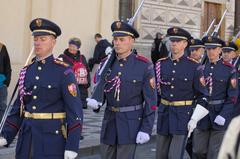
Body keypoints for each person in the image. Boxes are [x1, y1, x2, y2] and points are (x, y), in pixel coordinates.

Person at [0, 18, 83, 159]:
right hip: (26, 139)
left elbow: (75, 111)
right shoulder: (27, 71)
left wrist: (72, 145)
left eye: (43, 39)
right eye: (36, 39)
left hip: (51, 141)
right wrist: (6, 134)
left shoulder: (64, 72)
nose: (38, 43)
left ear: (53, 42)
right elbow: (18, 108)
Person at [87, 21, 157, 159]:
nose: (117, 43)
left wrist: (146, 129)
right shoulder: (106, 63)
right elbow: (102, 90)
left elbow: (151, 102)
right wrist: (97, 102)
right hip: (109, 123)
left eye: (122, 40)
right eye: (115, 39)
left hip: (130, 123)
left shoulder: (143, 65)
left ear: (131, 41)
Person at [155, 27, 208, 159]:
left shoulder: (195, 67)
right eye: (172, 40)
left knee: (174, 155)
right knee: (160, 155)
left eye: (178, 41)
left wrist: (195, 118)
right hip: (164, 115)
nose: (174, 43)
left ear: (185, 44)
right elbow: (155, 92)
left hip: (183, 117)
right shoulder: (161, 64)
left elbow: (203, 96)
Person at [188, 36, 238, 159]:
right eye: (208, 49)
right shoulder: (200, 69)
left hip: (219, 113)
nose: (211, 52)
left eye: (214, 49)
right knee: (198, 150)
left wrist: (224, 115)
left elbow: (232, 96)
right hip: (202, 114)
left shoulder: (229, 70)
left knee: (214, 153)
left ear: (220, 50)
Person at [59, 37, 90, 109]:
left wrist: (87, 84)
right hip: (68, 86)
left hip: (82, 88)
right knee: (70, 107)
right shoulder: (62, 57)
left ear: (78, 48)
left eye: (73, 46)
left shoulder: (82, 58)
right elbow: (58, 72)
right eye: (70, 46)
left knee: (80, 109)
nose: (71, 48)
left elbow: (87, 70)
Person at [0, 42, 11, 121]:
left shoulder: (2, 47)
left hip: (1, 84)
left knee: (2, 107)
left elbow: (7, 66)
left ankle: (1, 129)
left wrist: (6, 82)